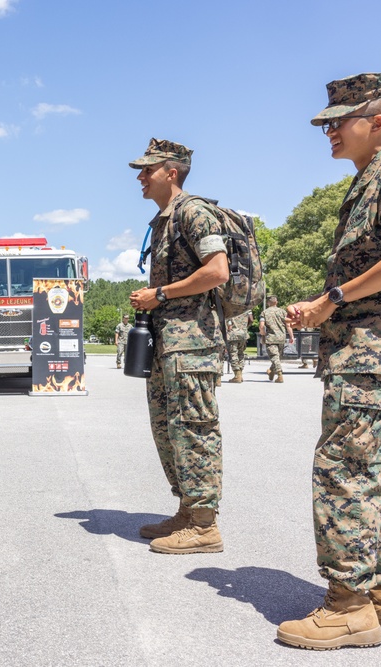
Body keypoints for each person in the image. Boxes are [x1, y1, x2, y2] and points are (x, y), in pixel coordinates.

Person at [277, 72, 381, 650]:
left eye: (338, 122)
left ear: (377, 122)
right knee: (375, 472)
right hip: (379, 351)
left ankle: (348, 606)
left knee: (342, 472)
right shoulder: (372, 180)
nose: (328, 132)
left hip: (375, 352)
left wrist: (331, 300)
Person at [127, 138, 229, 554]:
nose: (140, 177)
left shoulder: (194, 213)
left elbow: (218, 271)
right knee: (169, 429)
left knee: (193, 428)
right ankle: (188, 511)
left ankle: (205, 526)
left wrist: (161, 295)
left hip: (191, 345)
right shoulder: (165, 219)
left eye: (147, 170)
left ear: (172, 172)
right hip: (169, 344)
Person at [259, 295, 293, 383]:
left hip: (271, 338)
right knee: (277, 357)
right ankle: (271, 372)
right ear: (276, 302)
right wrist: (291, 336)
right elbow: (288, 325)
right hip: (281, 337)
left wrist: (262, 333)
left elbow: (262, 326)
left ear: (268, 303)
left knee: (274, 357)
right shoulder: (282, 312)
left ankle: (279, 375)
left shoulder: (264, 312)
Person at [225, 310, 252, 383]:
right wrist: (245, 328)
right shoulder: (247, 307)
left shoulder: (231, 306)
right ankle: (240, 374)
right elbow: (251, 319)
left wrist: (229, 330)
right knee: (241, 354)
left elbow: (229, 323)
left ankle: (237, 375)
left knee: (233, 354)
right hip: (243, 334)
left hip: (233, 334)